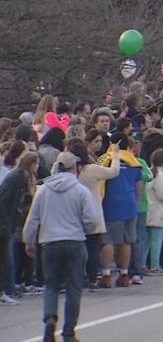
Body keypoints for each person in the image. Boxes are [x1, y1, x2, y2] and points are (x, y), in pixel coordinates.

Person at [23, 151, 100, 342]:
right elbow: (92, 219)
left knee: (51, 285)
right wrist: (84, 229)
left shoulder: (44, 191)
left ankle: (50, 318)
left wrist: (29, 241)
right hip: (74, 241)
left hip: (50, 242)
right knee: (74, 287)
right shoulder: (80, 190)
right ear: (74, 168)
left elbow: (33, 219)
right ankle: (69, 332)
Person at [67, 135, 119, 292]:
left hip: (73, 215)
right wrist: (115, 155)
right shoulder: (92, 170)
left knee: (78, 249)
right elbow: (114, 171)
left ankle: (77, 277)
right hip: (93, 212)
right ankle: (91, 278)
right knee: (93, 247)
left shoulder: (69, 173)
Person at [97, 134, 143, 289]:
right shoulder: (134, 162)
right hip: (129, 203)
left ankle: (106, 275)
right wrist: (136, 204)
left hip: (110, 202)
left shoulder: (106, 159)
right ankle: (124, 274)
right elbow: (139, 185)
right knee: (126, 240)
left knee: (107, 240)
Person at [0, 152, 39, 305]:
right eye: (37, 164)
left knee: (7, 258)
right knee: (6, 259)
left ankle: (7, 290)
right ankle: (6, 291)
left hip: (9, 222)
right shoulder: (17, 178)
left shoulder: (20, 177)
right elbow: (3, 200)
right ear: (31, 164)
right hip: (5, 223)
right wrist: (5, 222)